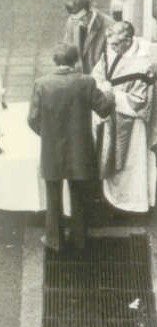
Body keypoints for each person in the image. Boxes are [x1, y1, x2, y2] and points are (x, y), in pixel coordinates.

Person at [28, 43, 114, 251]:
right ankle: (80, 239)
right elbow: (103, 109)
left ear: (55, 61)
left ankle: (54, 239)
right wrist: (110, 94)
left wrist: (47, 135)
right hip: (79, 150)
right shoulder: (86, 82)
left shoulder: (42, 84)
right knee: (79, 194)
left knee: (53, 196)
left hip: (52, 150)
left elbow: (32, 119)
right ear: (75, 60)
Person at [91, 21, 157, 213]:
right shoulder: (110, 51)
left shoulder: (144, 62)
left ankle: (133, 203)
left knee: (131, 164)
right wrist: (101, 87)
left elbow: (140, 101)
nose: (111, 48)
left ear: (128, 41)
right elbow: (98, 74)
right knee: (109, 158)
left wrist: (112, 94)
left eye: (115, 45)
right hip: (110, 116)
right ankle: (112, 198)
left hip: (132, 123)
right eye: (110, 44)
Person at [61, 0, 114, 75]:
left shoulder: (109, 25)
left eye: (83, 18)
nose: (80, 22)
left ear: (91, 9)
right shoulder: (71, 21)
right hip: (79, 75)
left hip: (99, 74)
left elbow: (113, 56)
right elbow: (67, 45)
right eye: (76, 19)